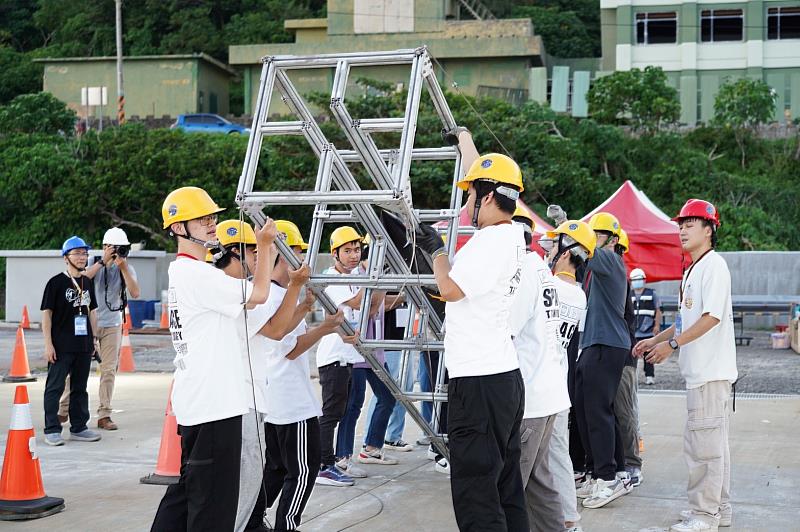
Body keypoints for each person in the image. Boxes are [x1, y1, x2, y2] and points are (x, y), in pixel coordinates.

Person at [415, 146, 529, 532]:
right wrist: (465, 140)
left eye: (470, 195)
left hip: (479, 382)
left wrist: (436, 251)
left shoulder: (489, 241)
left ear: (490, 195)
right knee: (505, 486)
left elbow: (449, 289)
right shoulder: (514, 237)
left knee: (476, 492)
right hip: (503, 378)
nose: (466, 204)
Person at [151, 187, 277, 532]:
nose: (212, 224)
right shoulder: (199, 276)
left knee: (188, 491)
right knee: (212, 507)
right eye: (203, 219)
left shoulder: (186, 273)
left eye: (213, 217)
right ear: (178, 228)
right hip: (215, 405)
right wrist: (264, 247)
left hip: (201, 402)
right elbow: (260, 294)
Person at [634, 199, 737, 532]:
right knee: (711, 446)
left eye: (690, 224)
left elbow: (711, 318)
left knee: (702, 449)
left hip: (709, 373)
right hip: (702, 374)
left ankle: (704, 515)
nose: (682, 230)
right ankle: (718, 510)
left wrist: (672, 346)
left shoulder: (714, 266)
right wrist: (656, 339)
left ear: (709, 230)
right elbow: (684, 319)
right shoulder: (693, 269)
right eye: (680, 224)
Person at [508, 210, 572, 532]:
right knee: (540, 480)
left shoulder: (521, 273)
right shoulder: (541, 269)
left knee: (511, 485)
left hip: (531, 398)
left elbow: (508, 329)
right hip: (551, 392)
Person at [315, 226, 384, 486]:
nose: (354, 255)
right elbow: (357, 303)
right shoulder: (332, 278)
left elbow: (371, 307)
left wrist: (377, 281)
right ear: (335, 253)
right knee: (331, 413)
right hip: (333, 356)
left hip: (347, 357)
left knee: (343, 410)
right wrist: (375, 279)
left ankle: (334, 461)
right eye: (348, 251)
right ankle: (323, 465)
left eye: (357, 250)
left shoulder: (356, 277)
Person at [573, 211, 631, 509]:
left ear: (610, 238)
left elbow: (582, 247)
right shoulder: (602, 267)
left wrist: (568, 222)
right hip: (597, 343)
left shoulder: (608, 258)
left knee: (596, 412)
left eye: (597, 233)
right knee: (590, 410)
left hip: (606, 344)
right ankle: (610, 472)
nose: (592, 238)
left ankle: (606, 478)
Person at [58, 227, 140, 431]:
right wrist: (103, 261)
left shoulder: (127, 268)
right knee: (76, 369)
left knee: (109, 370)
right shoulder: (92, 261)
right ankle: (63, 409)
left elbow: (135, 292)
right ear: (104, 247)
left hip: (113, 324)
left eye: (122, 248)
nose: (118, 252)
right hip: (88, 323)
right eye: (114, 248)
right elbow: (81, 279)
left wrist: (122, 267)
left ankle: (104, 414)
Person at [545, 220, 596, 532]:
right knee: (558, 456)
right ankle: (569, 519)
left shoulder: (547, 287)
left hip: (535, 388)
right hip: (559, 388)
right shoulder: (580, 297)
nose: (549, 250)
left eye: (554, 245)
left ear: (566, 253)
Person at [41, 236, 103, 446]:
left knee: (80, 388)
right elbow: (46, 316)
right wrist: (48, 344)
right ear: (65, 257)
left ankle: (79, 427)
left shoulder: (87, 282)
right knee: (55, 387)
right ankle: (51, 429)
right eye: (77, 253)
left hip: (83, 345)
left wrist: (94, 339)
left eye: (84, 253)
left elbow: (92, 312)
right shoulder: (55, 283)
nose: (82, 257)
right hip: (61, 346)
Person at [630, 268, 662, 385]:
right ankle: (631, 377)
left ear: (644, 280)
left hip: (647, 331)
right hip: (632, 332)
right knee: (630, 356)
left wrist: (657, 325)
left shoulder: (652, 294)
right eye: (634, 280)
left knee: (648, 355)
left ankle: (649, 376)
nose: (637, 281)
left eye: (639, 279)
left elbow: (658, 311)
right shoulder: (628, 294)